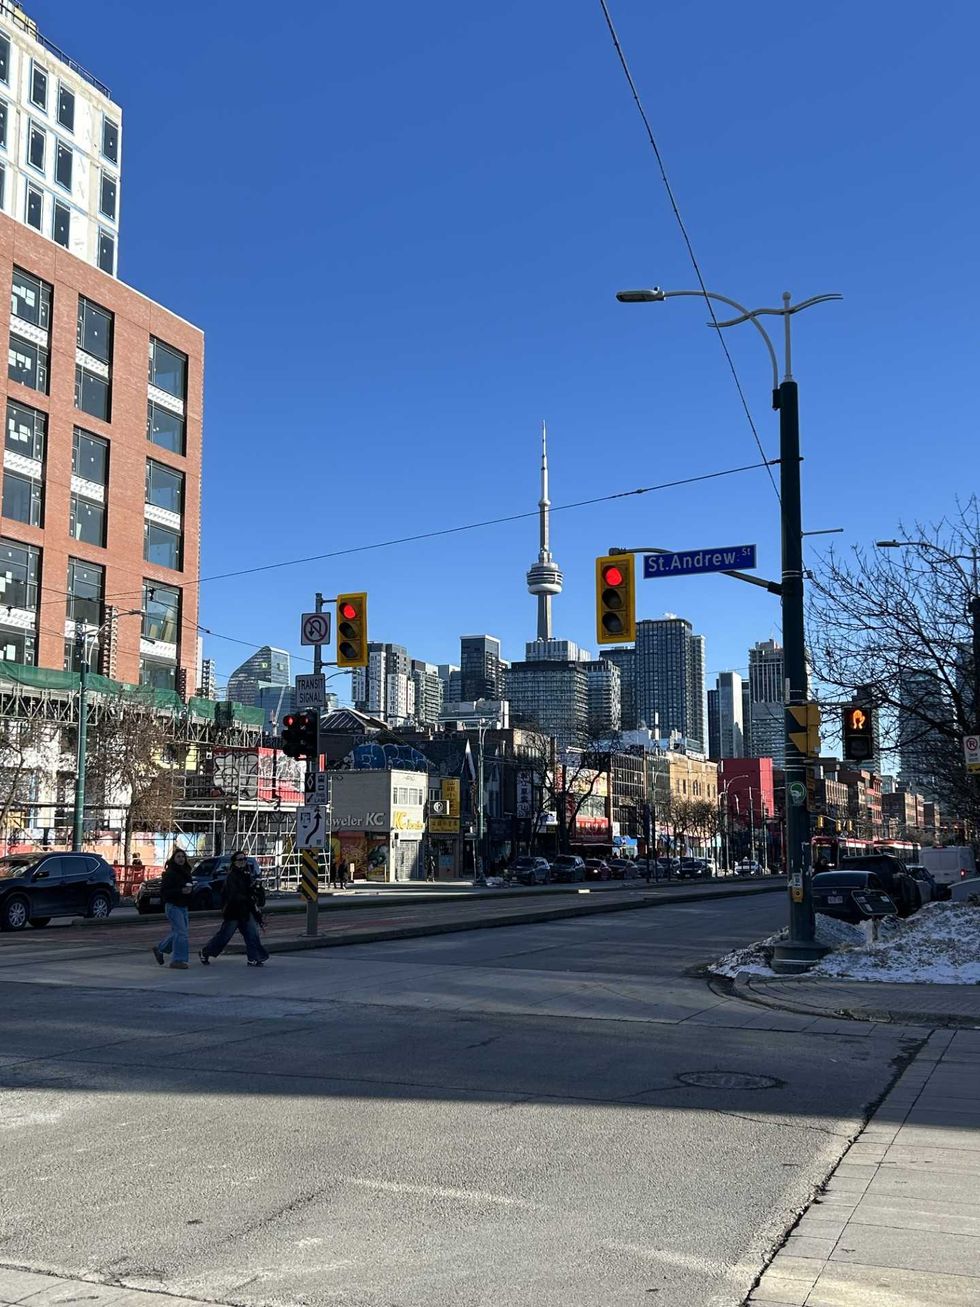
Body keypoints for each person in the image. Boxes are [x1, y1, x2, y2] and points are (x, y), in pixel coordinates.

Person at [199, 852, 269, 968]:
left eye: (244, 859)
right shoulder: (231, 876)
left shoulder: (247, 874)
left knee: (252, 934)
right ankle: (205, 952)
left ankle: (254, 958)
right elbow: (233, 895)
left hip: (246, 910)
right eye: (240, 859)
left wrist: (257, 890)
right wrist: (248, 897)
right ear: (234, 862)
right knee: (224, 936)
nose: (242, 861)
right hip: (234, 912)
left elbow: (251, 891)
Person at [152, 848, 193, 969]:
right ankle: (178, 960)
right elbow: (165, 892)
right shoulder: (170, 873)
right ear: (173, 859)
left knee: (179, 932)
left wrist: (189, 892)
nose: (181, 859)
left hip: (183, 906)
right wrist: (181, 891)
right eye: (178, 857)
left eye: (183, 857)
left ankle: (160, 949)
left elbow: (189, 889)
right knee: (182, 933)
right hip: (173, 906)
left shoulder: (186, 872)